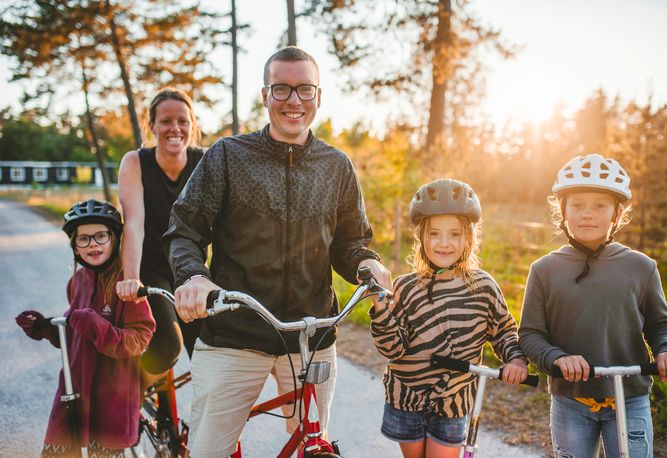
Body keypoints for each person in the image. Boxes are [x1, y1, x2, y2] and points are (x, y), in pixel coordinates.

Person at [163, 46, 392, 457]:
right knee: (207, 451)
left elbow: (349, 242)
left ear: (318, 97)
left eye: (305, 90)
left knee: (313, 445)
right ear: (265, 95)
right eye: (281, 89)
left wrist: (367, 263)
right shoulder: (228, 156)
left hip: (311, 334)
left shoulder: (336, 165)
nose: (293, 101)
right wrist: (193, 276)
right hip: (233, 331)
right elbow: (185, 230)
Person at [518, 153, 667, 458]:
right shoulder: (544, 269)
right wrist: (557, 358)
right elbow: (530, 334)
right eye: (577, 205)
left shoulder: (641, 267)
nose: (588, 214)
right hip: (570, 400)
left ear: (617, 213)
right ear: (563, 211)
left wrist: (664, 348)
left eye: (600, 206)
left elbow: (659, 324)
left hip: (631, 397)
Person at [369, 178, 528, 458]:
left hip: (454, 399)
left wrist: (514, 358)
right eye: (435, 234)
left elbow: (503, 331)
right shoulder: (406, 287)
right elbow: (391, 348)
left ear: (469, 238)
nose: (444, 243)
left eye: (454, 234)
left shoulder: (482, 286)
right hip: (406, 396)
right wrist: (381, 309)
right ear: (421, 238)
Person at [15, 199, 155, 457]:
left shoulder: (126, 284)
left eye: (100, 236)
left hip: (110, 396)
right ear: (74, 246)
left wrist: (95, 325)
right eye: (84, 239)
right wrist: (45, 328)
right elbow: (76, 333)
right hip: (74, 389)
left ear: (114, 238)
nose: (92, 244)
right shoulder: (77, 281)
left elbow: (139, 338)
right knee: (57, 452)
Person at [115, 88, 205, 379]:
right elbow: (134, 223)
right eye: (166, 121)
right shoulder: (135, 162)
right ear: (151, 125)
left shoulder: (205, 161)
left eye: (183, 121)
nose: (175, 128)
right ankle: (133, 394)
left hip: (191, 271)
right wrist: (131, 279)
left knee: (211, 353)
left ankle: (206, 423)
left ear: (192, 125)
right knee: (167, 346)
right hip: (150, 270)